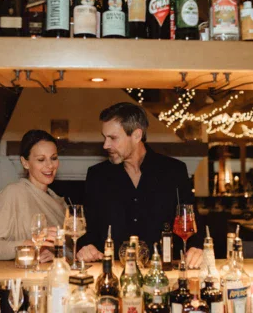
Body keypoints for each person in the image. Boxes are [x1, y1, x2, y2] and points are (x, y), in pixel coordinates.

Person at [76, 102, 204, 268]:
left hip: (164, 273)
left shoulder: (174, 171)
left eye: (113, 138)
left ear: (136, 135)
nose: (105, 145)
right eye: (105, 137)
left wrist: (196, 248)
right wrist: (85, 246)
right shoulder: (97, 175)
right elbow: (87, 229)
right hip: (112, 274)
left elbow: (191, 222)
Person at [0, 130, 67, 261]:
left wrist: (55, 256)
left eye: (54, 158)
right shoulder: (12, 194)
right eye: (41, 159)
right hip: (16, 277)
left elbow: (68, 252)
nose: (50, 165)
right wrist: (29, 245)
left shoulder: (59, 201)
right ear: (25, 163)